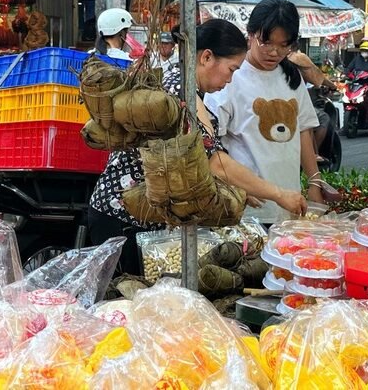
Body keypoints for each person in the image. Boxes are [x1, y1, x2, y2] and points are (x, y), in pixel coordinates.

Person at [89, 19, 307, 274]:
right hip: (121, 216)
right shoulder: (180, 93)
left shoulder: (182, 85)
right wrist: (280, 194)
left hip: (135, 214)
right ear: (206, 57)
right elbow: (215, 163)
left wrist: (240, 188)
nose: (231, 79)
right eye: (231, 69)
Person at [207, 0, 323, 223]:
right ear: (250, 35)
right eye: (266, 42)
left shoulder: (291, 76)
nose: (274, 52)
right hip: (249, 208)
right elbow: (212, 146)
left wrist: (314, 182)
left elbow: (303, 131)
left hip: (290, 202)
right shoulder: (230, 77)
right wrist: (233, 185)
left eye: (284, 45)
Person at [288, 50, 340, 163]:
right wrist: (332, 86)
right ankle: (312, 154)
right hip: (291, 103)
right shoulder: (297, 58)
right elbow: (318, 78)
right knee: (319, 119)